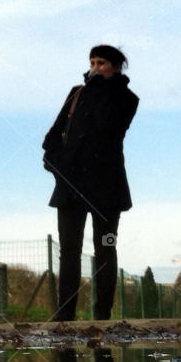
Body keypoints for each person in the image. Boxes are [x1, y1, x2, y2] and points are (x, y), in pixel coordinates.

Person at [43, 46, 138, 321]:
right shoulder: (76, 93)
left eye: (102, 63)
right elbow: (51, 137)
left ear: (117, 67)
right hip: (71, 184)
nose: (95, 67)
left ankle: (102, 316)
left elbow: (109, 126)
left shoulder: (127, 98)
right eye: (92, 62)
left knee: (105, 247)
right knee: (69, 252)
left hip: (106, 185)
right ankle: (64, 314)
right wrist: (59, 166)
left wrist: (98, 87)